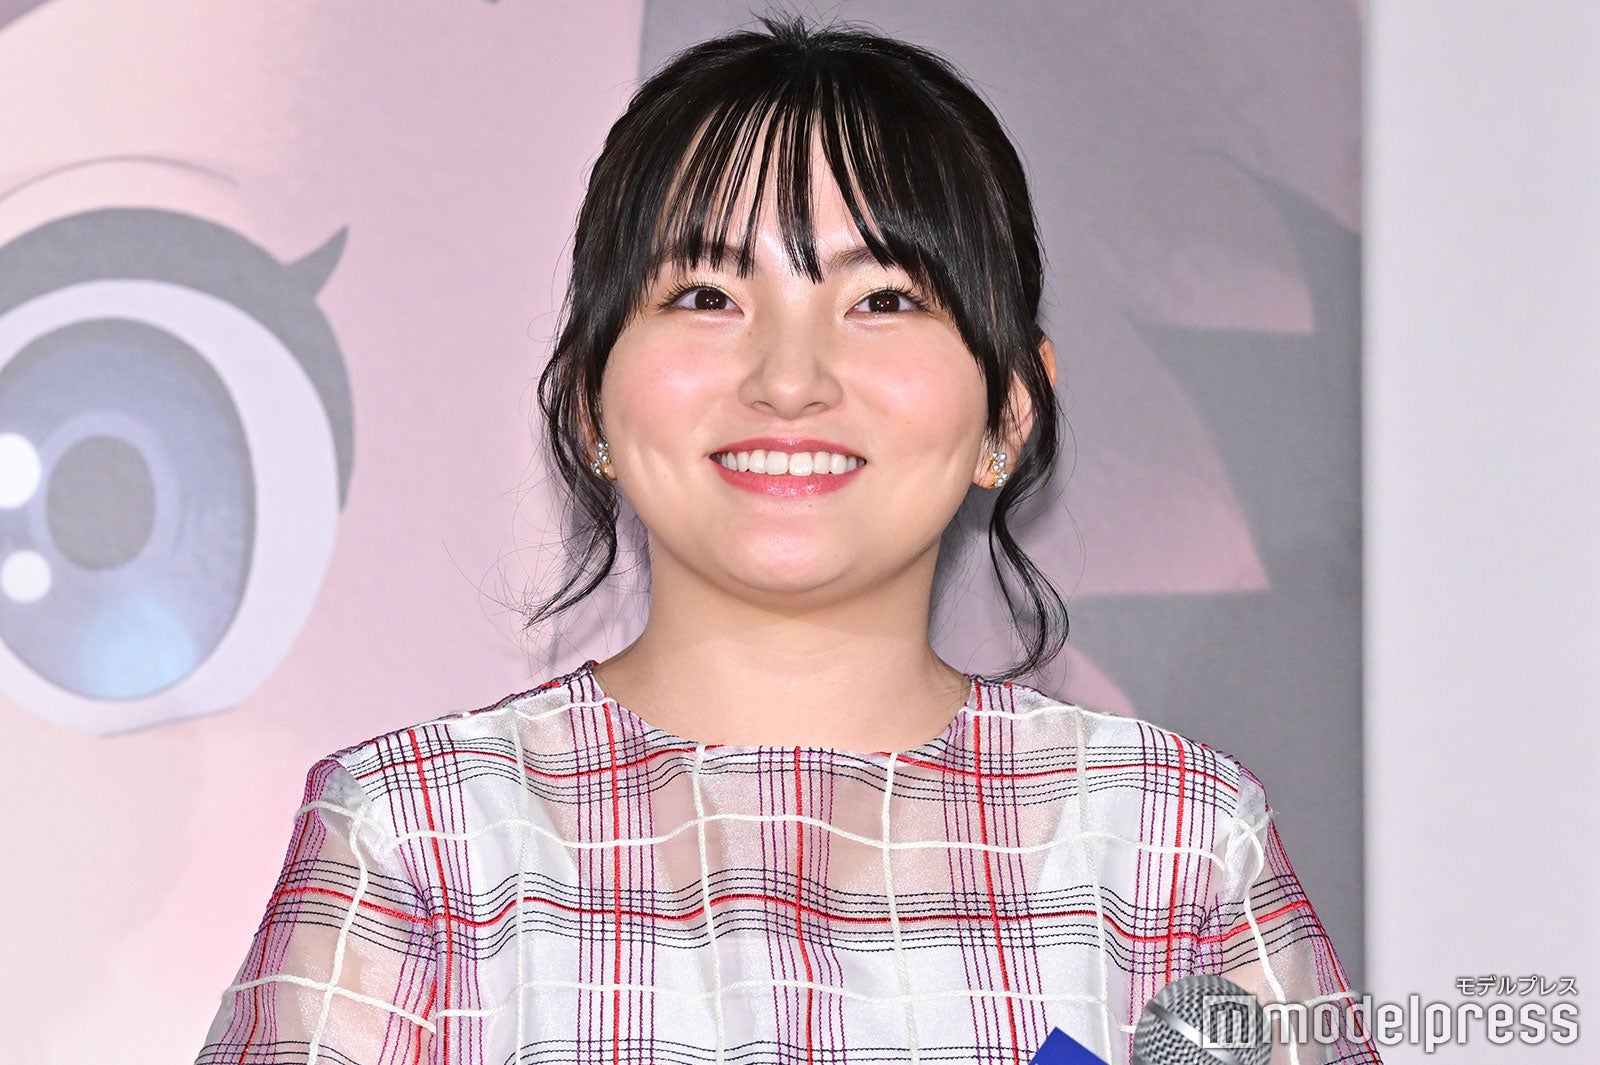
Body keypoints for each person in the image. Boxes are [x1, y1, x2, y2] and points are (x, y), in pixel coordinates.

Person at [195, 15, 1376, 1065]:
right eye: (707, 297)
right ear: (590, 401)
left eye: (883, 301)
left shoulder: (1171, 844)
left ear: (1009, 413)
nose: (790, 379)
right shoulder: (415, 840)